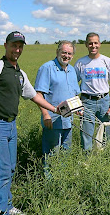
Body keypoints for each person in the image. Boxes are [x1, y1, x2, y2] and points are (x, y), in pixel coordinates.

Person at [0, 31, 60, 215]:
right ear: (6, 45)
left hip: (11, 125)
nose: (17, 49)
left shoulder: (20, 74)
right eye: (14, 45)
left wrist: (54, 109)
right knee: (2, 170)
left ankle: (7, 205)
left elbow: (34, 95)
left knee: (10, 168)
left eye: (20, 46)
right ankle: (3, 210)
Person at [34, 41, 80, 170]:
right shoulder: (47, 68)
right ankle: (49, 185)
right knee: (51, 155)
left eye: (69, 53)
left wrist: (79, 109)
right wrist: (45, 114)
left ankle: (62, 182)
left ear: (73, 55)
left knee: (66, 154)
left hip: (68, 121)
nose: (66, 56)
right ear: (57, 52)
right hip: (52, 121)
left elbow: (75, 94)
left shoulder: (72, 70)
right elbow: (38, 95)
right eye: (63, 52)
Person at [74, 32, 110, 150]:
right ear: (86, 45)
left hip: (105, 101)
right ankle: (87, 162)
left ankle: (109, 160)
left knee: (108, 133)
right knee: (86, 135)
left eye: (95, 43)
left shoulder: (107, 61)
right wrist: (76, 105)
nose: (93, 46)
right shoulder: (80, 63)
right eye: (90, 43)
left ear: (100, 44)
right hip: (87, 102)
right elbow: (73, 85)